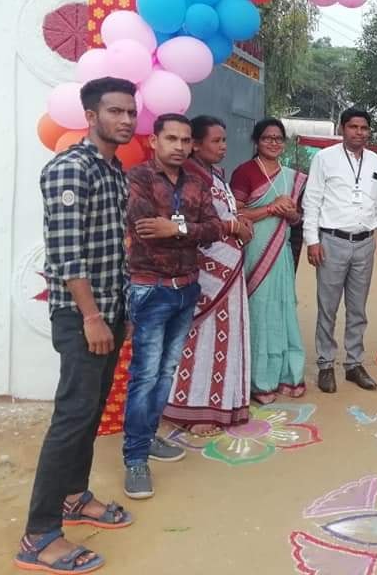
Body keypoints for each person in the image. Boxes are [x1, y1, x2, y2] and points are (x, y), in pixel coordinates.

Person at [16, 77, 137, 574]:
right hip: (83, 316)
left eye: (131, 112)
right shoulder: (70, 170)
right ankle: (39, 536)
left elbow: (112, 243)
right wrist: (91, 317)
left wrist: (117, 311)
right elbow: (67, 258)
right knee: (71, 419)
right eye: (115, 112)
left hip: (112, 309)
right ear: (91, 116)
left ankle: (74, 495)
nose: (126, 120)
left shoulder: (113, 171)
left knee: (88, 413)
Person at [123, 113, 227, 500]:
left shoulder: (198, 183)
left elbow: (214, 229)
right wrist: (180, 230)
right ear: (154, 141)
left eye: (186, 140)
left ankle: (148, 438)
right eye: (172, 139)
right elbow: (143, 228)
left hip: (186, 288)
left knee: (166, 372)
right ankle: (134, 458)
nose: (180, 146)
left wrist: (176, 229)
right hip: (151, 290)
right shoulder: (138, 178)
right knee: (145, 375)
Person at [163, 116, 254, 435]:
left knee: (225, 339)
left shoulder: (214, 175)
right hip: (207, 273)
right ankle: (191, 408)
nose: (223, 146)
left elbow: (225, 214)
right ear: (196, 145)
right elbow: (185, 225)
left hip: (228, 270)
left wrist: (239, 225)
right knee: (198, 340)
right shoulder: (188, 178)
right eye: (216, 141)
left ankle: (222, 404)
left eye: (224, 140)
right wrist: (231, 228)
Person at [302, 107, 377, 394]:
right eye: (353, 127)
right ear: (342, 128)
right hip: (331, 242)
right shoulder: (324, 158)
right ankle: (326, 365)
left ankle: (354, 364)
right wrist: (311, 240)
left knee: (358, 309)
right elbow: (312, 200)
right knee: (328, 308)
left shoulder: (376, 161)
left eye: (364, 128)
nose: (359, 133)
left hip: (365, 243)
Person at [230, 118, 307, 403]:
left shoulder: (292, 176)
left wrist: (290, 215)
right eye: (267, 138)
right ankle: (258, 381)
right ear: (257, 141)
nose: (273, 143)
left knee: (283, 309)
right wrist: (271, 209)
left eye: (278, 138)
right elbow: (235, 214)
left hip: (281, 253)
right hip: (255, 252)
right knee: (259, 311)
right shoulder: (245, 172)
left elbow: (297, 218)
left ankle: (286, 376)